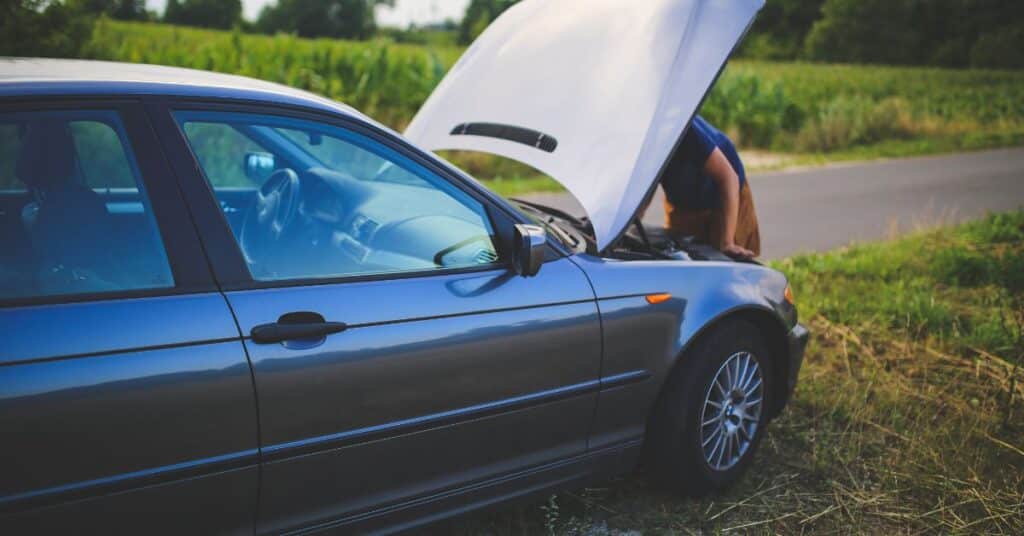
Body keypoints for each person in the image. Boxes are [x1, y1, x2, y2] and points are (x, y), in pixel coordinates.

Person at [660, 115, 760, 258]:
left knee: (727, 259)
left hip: (725, 194)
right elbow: (643, 190)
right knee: (682, 259)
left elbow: (729, 178)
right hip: (683, 203)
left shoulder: (682, 129)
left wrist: (728, 242)